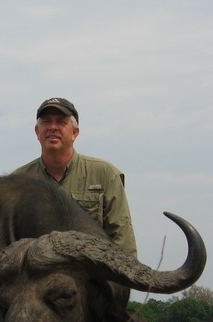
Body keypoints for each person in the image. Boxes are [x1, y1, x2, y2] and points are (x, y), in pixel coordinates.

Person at [13, 97, 137, 257]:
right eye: (46, 121)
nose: (52, 127)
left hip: (91, 274)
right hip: (35, 277)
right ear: (37, 132)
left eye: (61, 122)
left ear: (74, 133)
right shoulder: (18, 181)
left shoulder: (105, 174)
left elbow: (122, 236)